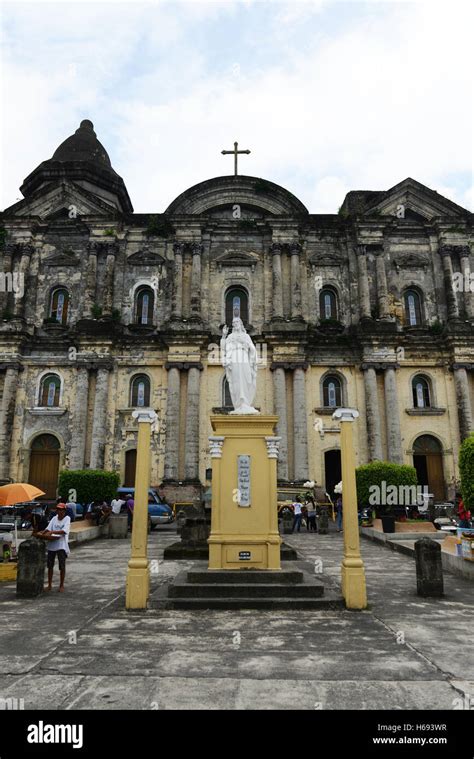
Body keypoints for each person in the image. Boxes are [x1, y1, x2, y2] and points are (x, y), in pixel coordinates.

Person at [37, 502, 71, 592]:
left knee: (62, 566)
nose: (59, 511)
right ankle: (49, 585)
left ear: (64, 511)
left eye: (61, 510)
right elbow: (48, 528)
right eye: (58, 509)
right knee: (50, 566)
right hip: (52, 544)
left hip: (61, 545)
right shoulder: (54, 518)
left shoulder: (67, 519)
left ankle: (61, 585)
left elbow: (64, 531)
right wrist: (43, 533)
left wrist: (53, 532)